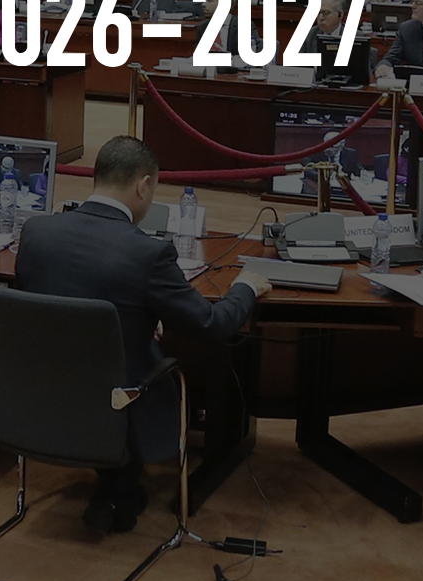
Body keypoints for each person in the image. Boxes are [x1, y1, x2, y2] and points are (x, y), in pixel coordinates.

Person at [15, 136, 270, 533]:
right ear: (144, 185)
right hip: (116, 398)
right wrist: (246, 288)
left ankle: (114, 486)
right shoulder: (148, 254)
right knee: (151, 365)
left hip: (40, 394)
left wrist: (141, 316)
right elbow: (212, 324)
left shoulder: (36, 232)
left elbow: (54, 301)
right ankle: (118, 486)